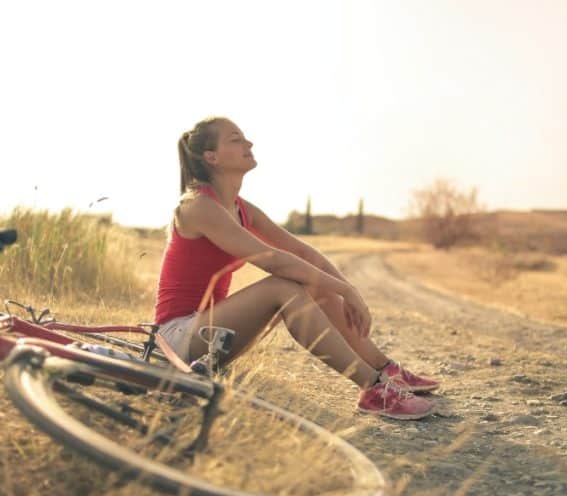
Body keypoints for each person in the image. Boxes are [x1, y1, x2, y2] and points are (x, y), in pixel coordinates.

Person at [154, 117, 438, 420]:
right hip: (176, 340)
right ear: (211, 157)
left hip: (212, 337)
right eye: (236, 139)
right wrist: (344, 289)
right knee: (283, 286)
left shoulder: (240, 208)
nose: (248, 143)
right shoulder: (197, 206)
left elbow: (300, 250)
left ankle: (385, 370)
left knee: (315, 283)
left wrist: (346, 289)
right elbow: (272, 259)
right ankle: (373, 388)